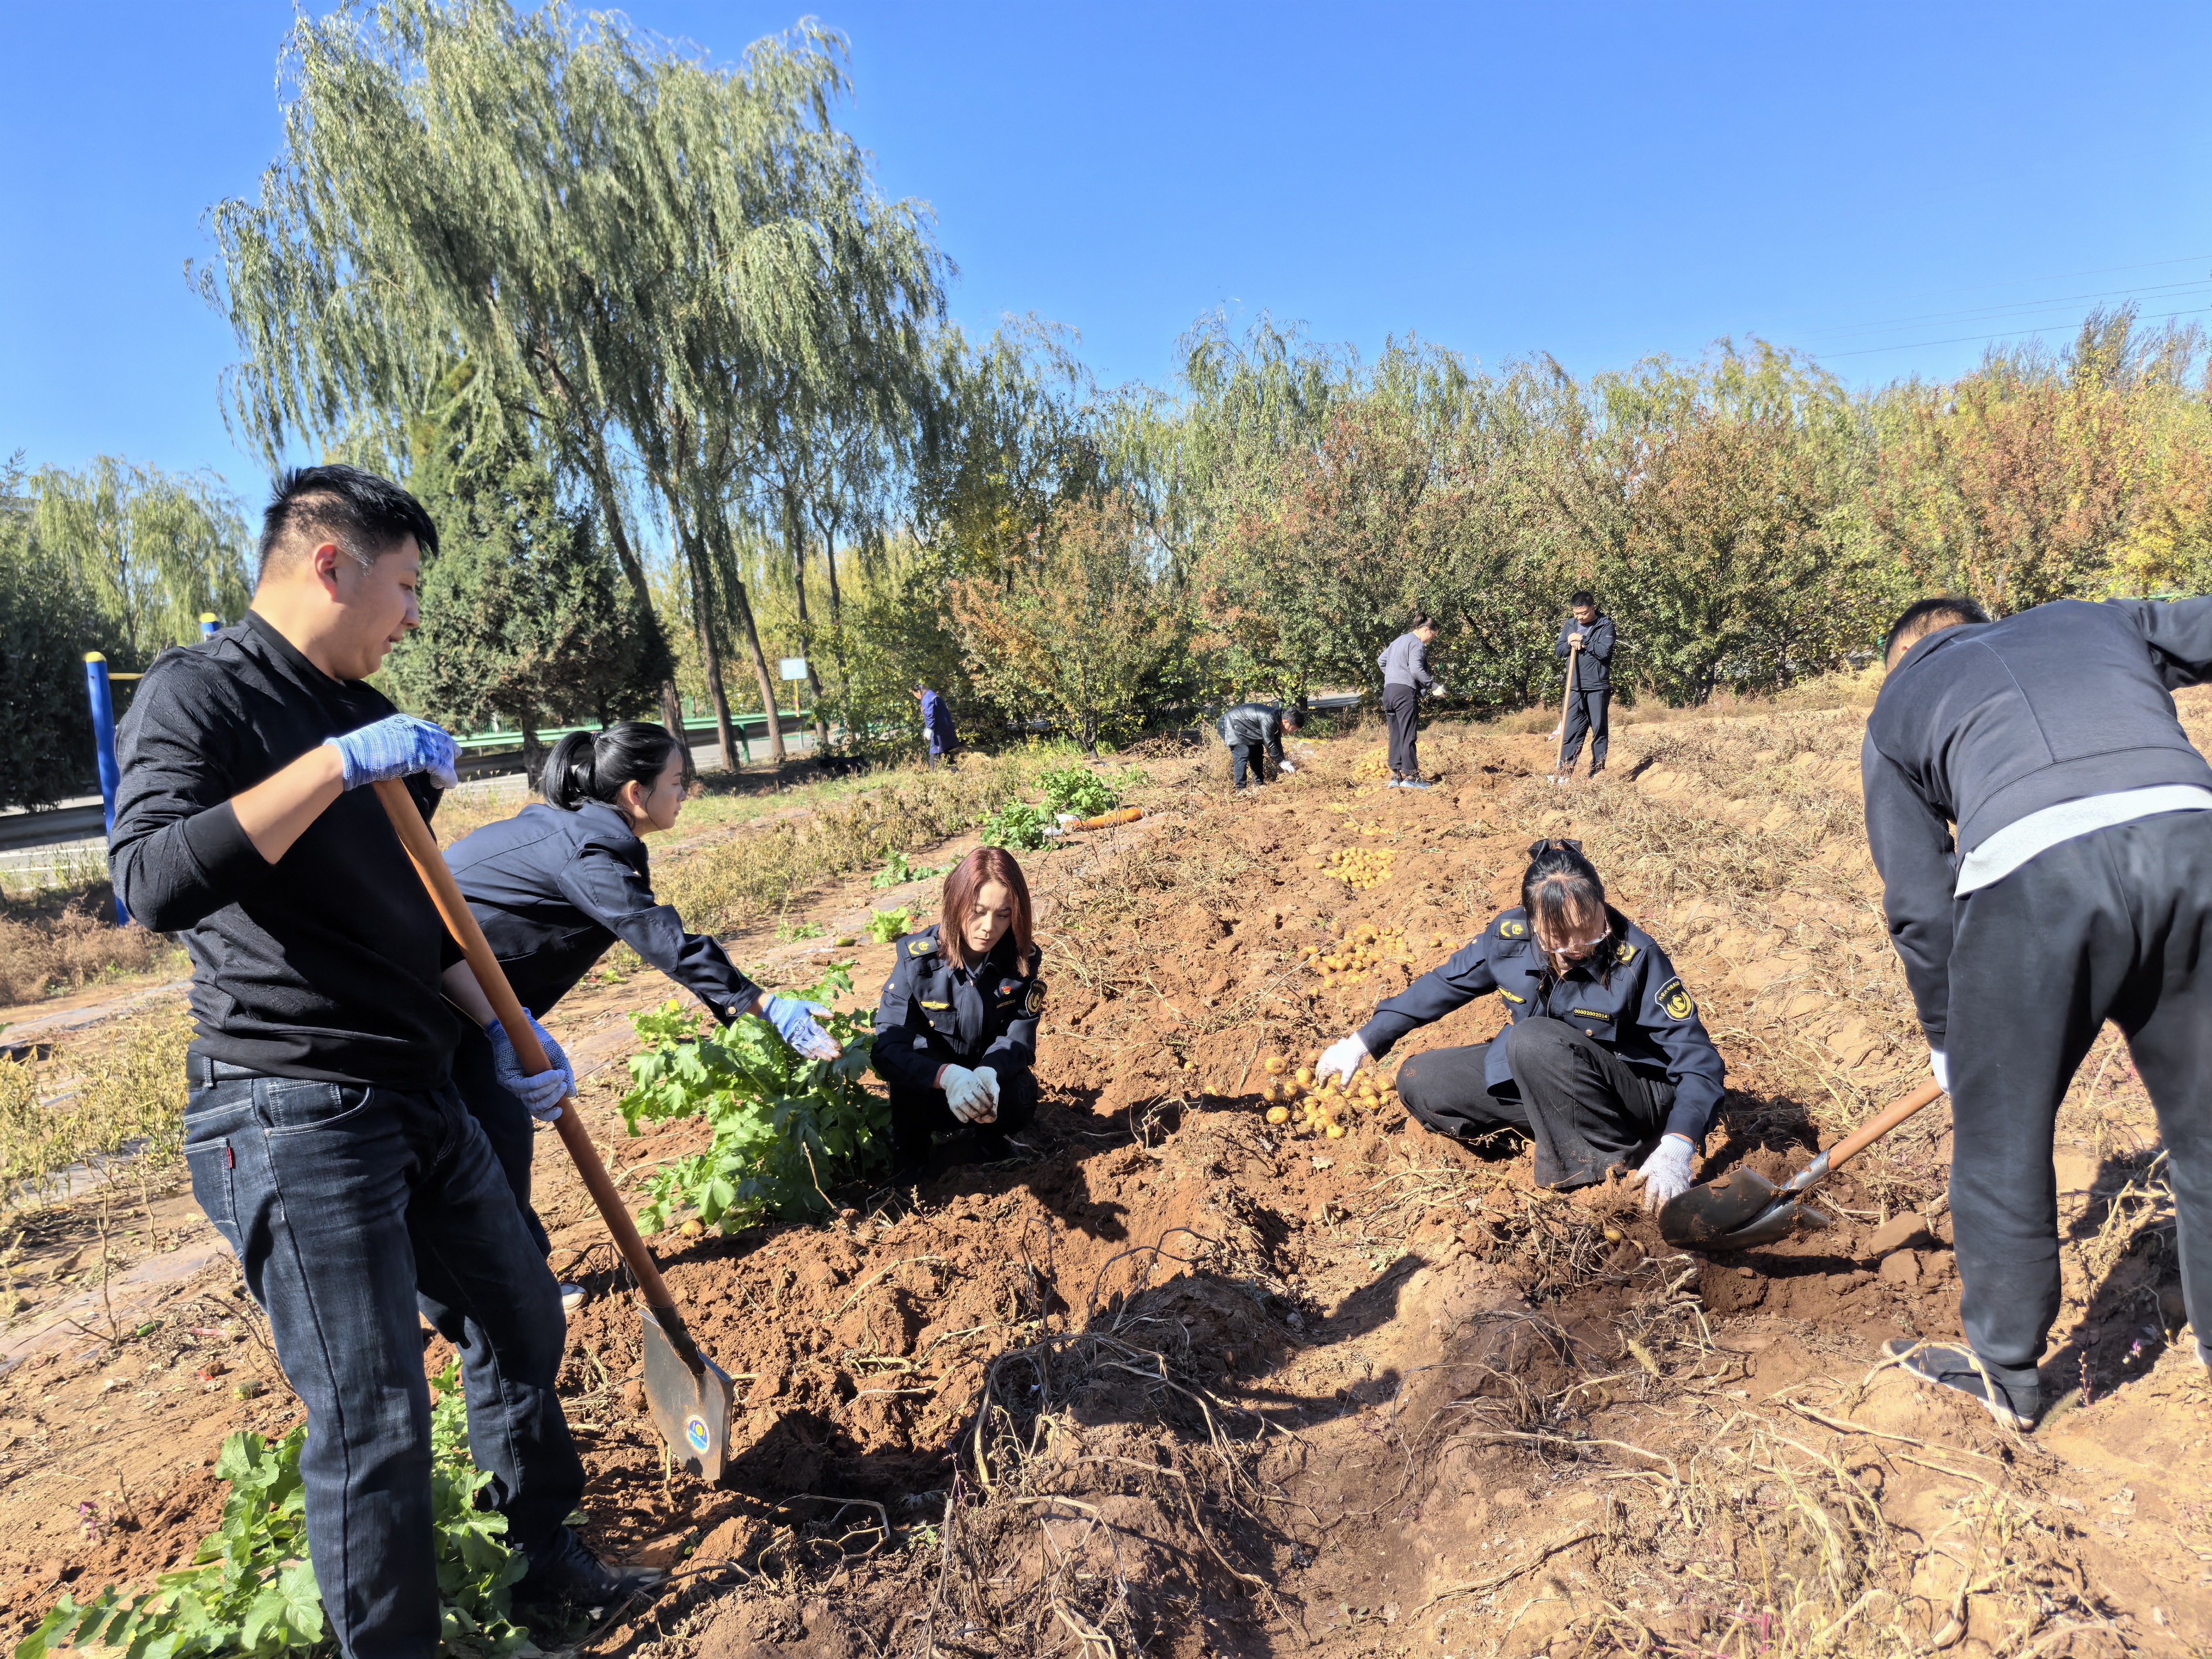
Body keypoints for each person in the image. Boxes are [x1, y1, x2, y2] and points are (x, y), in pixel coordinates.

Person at [109, 464, 649, 1657]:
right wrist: (332, 770)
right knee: (371, 1417)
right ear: (328, 564)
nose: (411, 614)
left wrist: (507, 1030)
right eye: (403, 586)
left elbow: (408, 914)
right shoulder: (201, 697)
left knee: (521, 1315)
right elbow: (148, 883)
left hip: (414, 1083)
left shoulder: (365, 713)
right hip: (289, 1103)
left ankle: (543, 1565)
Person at [1863, 593, 2212, 1430]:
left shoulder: (1899, 700)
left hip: (2034, 876)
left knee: (2003, 1137)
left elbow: (1918, 899)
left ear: (1905, 653)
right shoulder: (2094, 618)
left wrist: (1950, 1040)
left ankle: (2007, 1378)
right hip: (2192, 836)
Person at [445, 723, 841, 1272]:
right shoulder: (588, 854)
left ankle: (521, 1280)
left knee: (497, 1135)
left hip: (468, 998)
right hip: (430, 996)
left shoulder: (570, 828)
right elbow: (662, 939)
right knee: (483, 1140)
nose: (684, 794)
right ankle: (506, 1292)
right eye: (676, 782)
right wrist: (763, 1004)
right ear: (636, 794)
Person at [1315, 839, 1723, 1206]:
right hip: (1549, 1074)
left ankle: (1608, 1170)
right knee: (1422, 1079)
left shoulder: (1637, 956)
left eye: (1590, 933)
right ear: (1534, 925)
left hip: (1629, 1094)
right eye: (1558, 939)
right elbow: (1444, 984)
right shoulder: (1508, 939)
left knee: (1531, 1040)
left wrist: (1678, 1144)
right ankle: (1559, 1135)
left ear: (1603, 906)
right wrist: (1360, 1043)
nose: (1577, 949)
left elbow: (1699, 1061)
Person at [872, 847, 1045, 1174]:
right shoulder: (918, 961)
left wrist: (988, 1072)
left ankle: (989, 1141)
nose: (988, 927)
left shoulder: (1020, 962)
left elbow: (1019, 1036)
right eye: (977, 911)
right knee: (907, 1095)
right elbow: (888, 1049)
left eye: (1003, 915)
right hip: (933, 1090)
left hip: (983, 1085)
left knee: (1020, 1094)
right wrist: (946, 1078)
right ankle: (913, 1157)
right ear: (955, 904)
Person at [1554, 591, 1615, 781]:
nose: (1580, 617)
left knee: (1599, 729)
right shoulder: (1570, 625)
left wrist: (1584, 640)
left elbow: (1605, 652)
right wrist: (1570, 641)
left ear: (1593, 608)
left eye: (1584, 613)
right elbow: (1559, 651)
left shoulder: (1605, 626)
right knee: (1570, 731)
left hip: (1597, 687)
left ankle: (1598, 770)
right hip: (1574, 687)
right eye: (1576, 614)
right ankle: (1564, 773)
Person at [1378, 613, 1440, 789]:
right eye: (1433, 636)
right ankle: (1412, 777)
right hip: (1404, 693)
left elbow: (1381, 660)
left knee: (1396, 735)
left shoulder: (1398, 641)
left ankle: (1395, 777)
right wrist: (1432, 685)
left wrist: (1394, 674)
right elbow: (1416, 669)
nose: (1431, 640)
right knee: (1408, 735)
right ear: (1427, 630)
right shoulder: (1416, 644)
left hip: (1389, 692)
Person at [1218, 700, 1304, 790]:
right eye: (1294, 729)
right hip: (1230, 724)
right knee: (1242, 753)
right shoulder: (1270, 719)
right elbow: (1269, 742)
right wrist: (1281, 762)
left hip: (1247, 729)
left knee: (1257, 753)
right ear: (1286, 722)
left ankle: (1259, 784)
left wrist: (1283, 760)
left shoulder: (1278, 720)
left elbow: (1277, 743)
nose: (1293, 732)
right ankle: (1241, 789)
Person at [913, 683, 957, 767]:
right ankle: (955, 772)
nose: (916, 697)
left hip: (938, 731)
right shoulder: (933, 695)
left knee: (935, 755)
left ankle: (934, 776)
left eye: (915, 695)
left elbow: (930, 714)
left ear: (918, 692)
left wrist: (929, 728)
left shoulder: (927, 698)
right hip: (946, 729)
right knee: (947, 753)